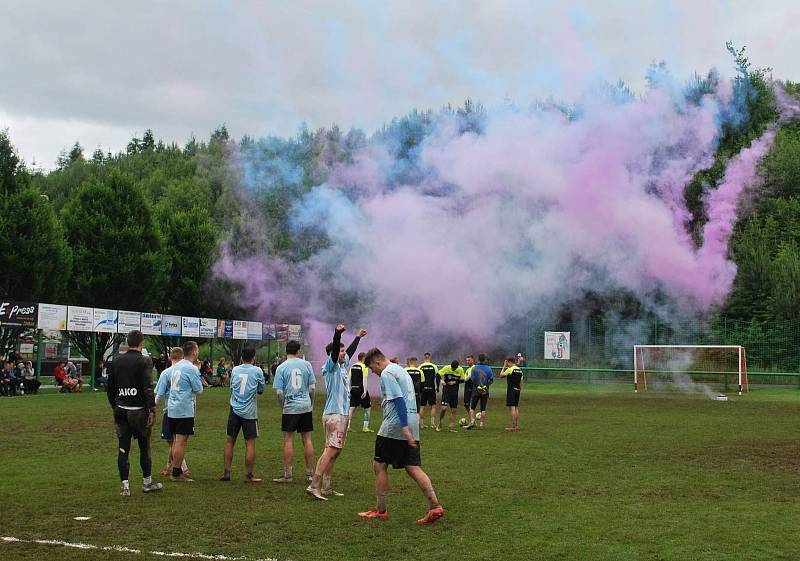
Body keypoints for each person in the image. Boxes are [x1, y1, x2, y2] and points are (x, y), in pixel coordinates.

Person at [358, 347, 444, 524]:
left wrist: (403, 428)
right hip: (413, 423)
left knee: (379, 464)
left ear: (377, 362)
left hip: (395, 425)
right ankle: (435, 506)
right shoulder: (401, 370)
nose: (374, 373)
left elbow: (398, 399)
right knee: (412, 466)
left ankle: (381, 510)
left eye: (372, 369)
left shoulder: (387, 373)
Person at [306, 324, 366, 501]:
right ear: (332, 354)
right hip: (334, 415)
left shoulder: (341, 365)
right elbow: (335, 352)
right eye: (340, 351)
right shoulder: (331, 366)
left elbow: (351, 352)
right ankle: (314, 485)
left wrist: (358, 337)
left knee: (335, 451)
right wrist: (337, 334)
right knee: (331, 451)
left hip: (341, 415)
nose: (343, 354)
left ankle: (326, 486)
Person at [106, 330, 163, 496]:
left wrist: (114, 405)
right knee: (144, 447)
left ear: (127, 343)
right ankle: (147, 483)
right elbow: (147, 387)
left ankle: (125, 486)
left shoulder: (116, 361)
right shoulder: (145, 360)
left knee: (123, 448)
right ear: (141, 343)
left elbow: (110, 388)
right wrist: (151, 409)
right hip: (138, 412)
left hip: (121, 410)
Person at [272, 340, 316, 484]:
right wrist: (311, 403)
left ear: (286, 351)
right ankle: (310, 474)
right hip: (305, 406)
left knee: (288, 439)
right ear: (298, 351)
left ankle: (288, 474)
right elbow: (312, 389)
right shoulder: (307, 365)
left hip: (290, 407)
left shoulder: (281, 367)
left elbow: (279, 392)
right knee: (307, 440)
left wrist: (283, 406)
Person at [220, 347, 265, 483]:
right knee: (250, 443)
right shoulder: (257, 371)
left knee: (229, 441)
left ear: (241, 358)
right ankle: (249, 475)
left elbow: (232, 388)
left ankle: (227, 473)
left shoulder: (235, 370)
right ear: (254, 358)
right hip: (249, 412)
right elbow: (261, 389)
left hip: (234, 409)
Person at [164, 341, 203, 482]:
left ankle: (175, 470)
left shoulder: (175, 366)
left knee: (175, 441)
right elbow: (199, 390)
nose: (198, 352)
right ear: (193, 352)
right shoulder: (191, 368)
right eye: (197, 349)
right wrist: (197, 370)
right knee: (181, 441)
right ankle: (176, 473)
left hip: (172, 408)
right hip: (184, 409)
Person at [154, 347, 190, 477]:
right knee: (177, 441)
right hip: (185, 410)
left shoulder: (166, 373)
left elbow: (158, 395)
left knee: (173, 442)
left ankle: (182, 468)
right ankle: (169, 467)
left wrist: (151, 409)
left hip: (169, 411)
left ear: (170, 358)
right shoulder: (188, 370)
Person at [465, 354, 494, 430]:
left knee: (472, 407)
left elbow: (473, 379)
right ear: (485, 359)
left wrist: (477, 385)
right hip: (485, 390)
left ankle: (472, 421)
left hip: (476, 390)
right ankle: (481, 424)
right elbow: (491, 380)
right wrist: (486, 385)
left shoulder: (475, 368)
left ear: (478, 359)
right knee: (483, 408)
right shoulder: (488, 368)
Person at [348, 352, 373, 433]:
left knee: (351, 408)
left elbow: (349, 379)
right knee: (367, 407)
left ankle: (347, 426)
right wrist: (365, 391)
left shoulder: (352, 366)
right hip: (361, 389)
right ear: (363, 358)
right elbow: (364, 379)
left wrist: (349, 390)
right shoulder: (364, 367)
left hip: (353, 389)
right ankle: (365, 427)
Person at [436, 360, 464, 432]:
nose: (453, 369)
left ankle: (451, 427)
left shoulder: (460, 370)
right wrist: (441, 381)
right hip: (446, 391)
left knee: (454, 410)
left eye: (454, 368)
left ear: (457, 367)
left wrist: (454, 382)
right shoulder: (446, 368)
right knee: (443, 409)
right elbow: (437, 375)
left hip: (454, 392)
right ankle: (440, 423)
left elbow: (462, 380)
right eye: (452, 368)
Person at [500, 357, 524, 431]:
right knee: (516, 408)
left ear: (510, 362)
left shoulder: (510, 369)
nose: (507, 364)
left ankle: (513, 427)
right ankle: (516, 425)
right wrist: (519, 389)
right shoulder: (520, 370)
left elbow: (501, 375)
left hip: (511, 390)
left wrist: (503, 366)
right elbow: (521, 382)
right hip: (517, 390)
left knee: (512, 408)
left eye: (507, 363)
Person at [418, 353, 439, 428]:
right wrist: (438, 387)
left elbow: (419, 379)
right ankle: (432, 424)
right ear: (430, 358)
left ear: (424, 358)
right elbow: (437, 377)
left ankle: (421, 424)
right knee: (433, 406)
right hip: (431, 388)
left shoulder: (420, 367)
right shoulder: (434, 366)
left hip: (423, 389)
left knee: (422, 406)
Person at [404, 357, 423, 424]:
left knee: (407, 407)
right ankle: (416, 424)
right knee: (417, 408)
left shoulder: (404, 370)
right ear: (415, 362)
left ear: (409, 362)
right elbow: (422, 383)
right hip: (417, 392)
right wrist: (421, 393)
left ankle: (406, 423)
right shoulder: (420, 371)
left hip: (407, 393)